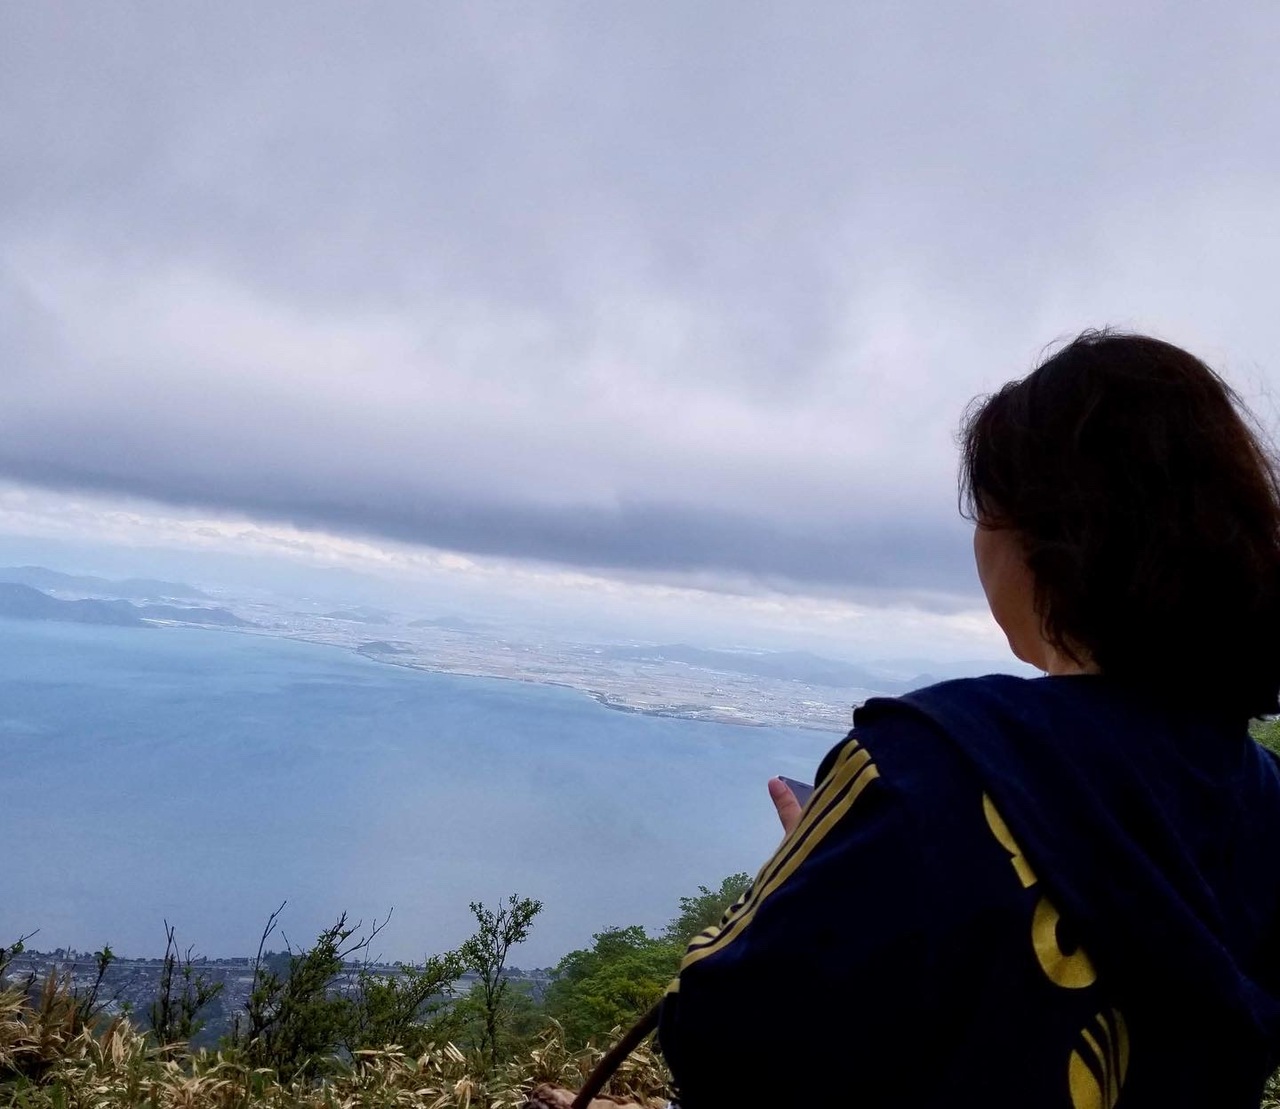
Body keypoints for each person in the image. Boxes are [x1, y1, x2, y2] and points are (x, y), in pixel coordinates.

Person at [655, 331, 1280, 1108]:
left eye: (984, 514)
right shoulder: (1264, 799)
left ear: (1044, 537)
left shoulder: (934, 762)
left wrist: (814, 885)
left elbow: (718, 1031)